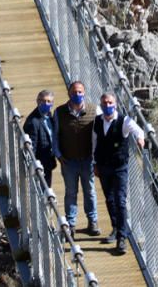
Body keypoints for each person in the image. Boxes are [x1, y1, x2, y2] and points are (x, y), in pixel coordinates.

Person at [92, 92, 145, 255]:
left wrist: (140, 139)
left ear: (115, 104)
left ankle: (122, 237)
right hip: (103, 166)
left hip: (119, 167)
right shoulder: (97, 122)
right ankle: (115, 228)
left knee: (120, 200)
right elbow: (94, 143)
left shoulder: (124, 121)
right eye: (105, 103)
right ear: (101, 105)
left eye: (110, 103)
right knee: (109, 199)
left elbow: (139, 131)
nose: (108, 106)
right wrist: (94, 163)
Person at [54, 81, 100, 239]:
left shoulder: (94, 111)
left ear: (84, 93)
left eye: (80, 92)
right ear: (69, 93)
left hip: (88, 160)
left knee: (90, 191)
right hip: (69, 161)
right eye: (74, 92)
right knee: (70, 192)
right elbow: (55, 136)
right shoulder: (59, 112)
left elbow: (101, 134)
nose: (77, 95)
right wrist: (59, 155)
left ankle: (93, 222)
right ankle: (71, 224)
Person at [23, 89, 58, 187]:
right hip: (40, 163)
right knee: (42, 190)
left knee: (47, 187)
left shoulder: (49, 116)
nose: (46, 104)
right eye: (43, 101)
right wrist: (32, 166)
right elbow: (31, 147)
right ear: (38, 101)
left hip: (48, 161)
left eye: (49, 101)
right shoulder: (33, 122)